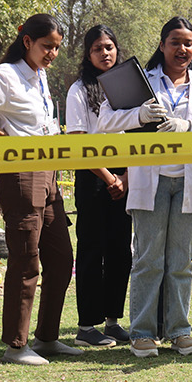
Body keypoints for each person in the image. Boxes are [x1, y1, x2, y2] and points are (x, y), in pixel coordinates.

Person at [0, 13, 81, 365]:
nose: (52, 54)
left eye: (56, 48)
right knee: (26, 260)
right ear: (27, 42)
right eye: (47, 46)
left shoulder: (40, 76)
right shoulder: (6, 75)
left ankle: (47, 338)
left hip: (49, 173)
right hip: (21, 175)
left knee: (61, 258)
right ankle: (16, 345)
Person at [97, 16, 192, 357]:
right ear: (162, 45)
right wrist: (138, 116)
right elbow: (105, 121)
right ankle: (142, 333)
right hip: (149, 182)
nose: (182, 49)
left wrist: (189, 128)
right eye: (175, 42)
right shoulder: (140, 82)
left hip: (189, 182)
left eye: (188, 43)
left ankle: (180, 331)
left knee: (181, 263)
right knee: (148, 261)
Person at [64, 25, 132, 348]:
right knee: (92, 249)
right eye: (97, 48)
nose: (104, 53)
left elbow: (139, 134)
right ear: (87, 54)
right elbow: (78, 142)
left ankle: (112, 321)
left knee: (121, 251)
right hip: (92, 176)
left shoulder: (129, 87)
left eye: (109, 47)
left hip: (127, 177)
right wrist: (109, 178)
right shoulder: (79, 90)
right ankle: (87, 326)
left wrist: (126, 177)